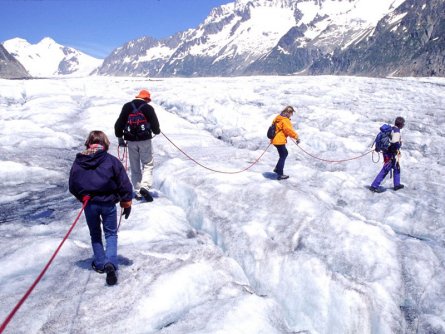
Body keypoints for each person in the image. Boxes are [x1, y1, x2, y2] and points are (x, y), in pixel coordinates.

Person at [69, 131, 133, 286]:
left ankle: (99, 264)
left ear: (88, 143)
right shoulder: (111, 161)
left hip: (89, 204)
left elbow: (73, 185)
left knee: (95, 234)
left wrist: (82, 197)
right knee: (111, 234)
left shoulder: (79, 161)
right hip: (108, 203)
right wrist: (126, 203)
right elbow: (124, 183)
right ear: (105, 144)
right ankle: (111, 262)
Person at [115, 89, 160, 202]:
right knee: (147, 164)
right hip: (145, 140)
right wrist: (156, 131)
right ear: (146, 99)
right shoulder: (148, 108)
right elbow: (155, 127)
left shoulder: (127, 106)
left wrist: (121, 139)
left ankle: (138, 191)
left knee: (135, 167)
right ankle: (145, 187)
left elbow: (118, 125)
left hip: (130, 141)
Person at [370, 116, 405, 193]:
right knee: (385, 169)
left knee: (396, 168)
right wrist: (398, 146)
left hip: (387, 153)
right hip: (391, 154)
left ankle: (397, 184)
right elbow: (394, 142)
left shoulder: (391, 129)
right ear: (401, 124)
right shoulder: (396, 131)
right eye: (403, 124)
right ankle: (374, 186)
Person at [271, 106, 299, 180]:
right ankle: (280, 173)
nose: (291, 115)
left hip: (275, 139)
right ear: (288, 112)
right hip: (279, 140)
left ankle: (277, 169)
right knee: (283, 154)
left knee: (284, 154)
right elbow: (288, 130)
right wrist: (296, 137)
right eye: (291, 113)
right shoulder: (285, 120)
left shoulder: (278, 117)